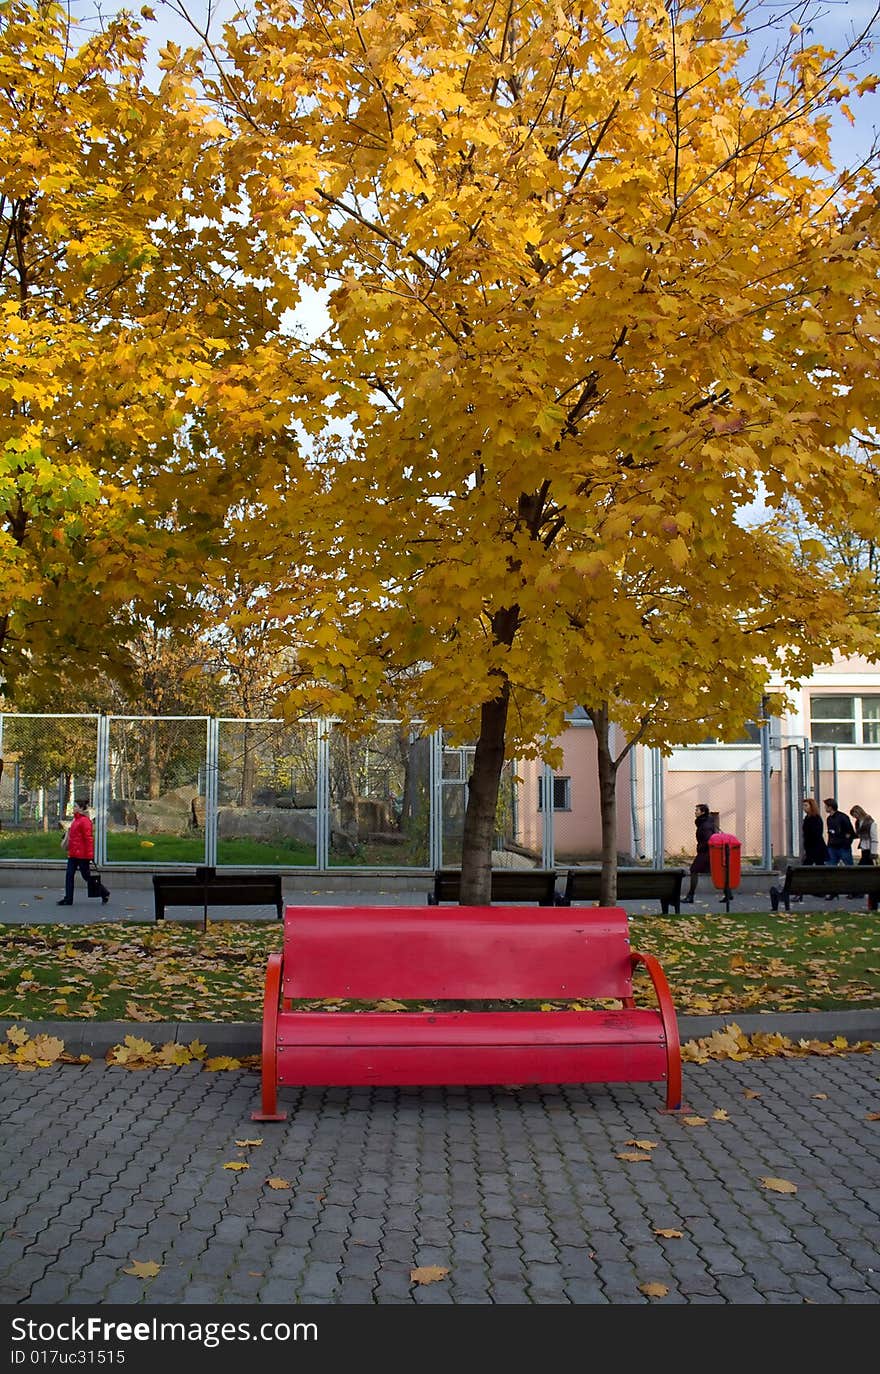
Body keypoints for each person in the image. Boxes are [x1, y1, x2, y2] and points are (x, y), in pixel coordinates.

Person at [57, 798, 109, 906]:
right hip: (73, 853)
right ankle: (68, 899)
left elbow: (88, 839)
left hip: (82, 855)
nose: (73, 808)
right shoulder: (75, 820)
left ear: (81, 808)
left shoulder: (85, 821)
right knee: (69, 875)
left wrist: (90, 855)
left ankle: (104, 892)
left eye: (75, 806)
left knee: (87, 877)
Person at [681, 802, 718, 903]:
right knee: (717, 871)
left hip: (705, 852)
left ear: (703, 812)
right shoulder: (704, 822)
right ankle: (728, 894)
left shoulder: (705, 825)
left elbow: (708, 839)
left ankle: (690, 896)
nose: (695, 812)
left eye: (697, 810)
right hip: (707, 851)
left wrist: (701, 847)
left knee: (694, 870)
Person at [823, 798, 855, 866]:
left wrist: (846, 843)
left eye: (826, 806)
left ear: (830, 807)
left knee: (849, 866)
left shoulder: (842, 817)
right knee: (830, 866)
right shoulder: (829, 819)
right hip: (832, 846)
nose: (824, 808)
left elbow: (849, 831)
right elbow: (830, 833)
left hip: (843, 846)